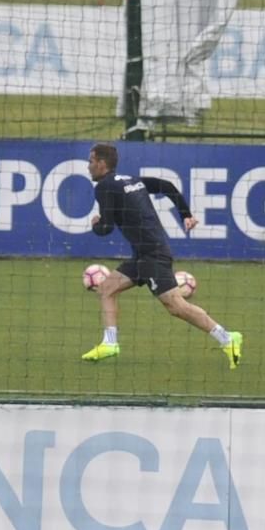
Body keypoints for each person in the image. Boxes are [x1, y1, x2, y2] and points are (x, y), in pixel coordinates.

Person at [81, 143, 243, 367]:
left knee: (176, 307)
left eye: (90, 161)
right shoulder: (131, 180)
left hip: (153, 255)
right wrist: (186, 214)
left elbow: (106, 228)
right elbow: (166, 186)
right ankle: (110, 343)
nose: (88, 166)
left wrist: (95, 224)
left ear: (101, 163)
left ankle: (227, 338)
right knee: (108, 288)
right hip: (144, 254)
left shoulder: (104, 188)